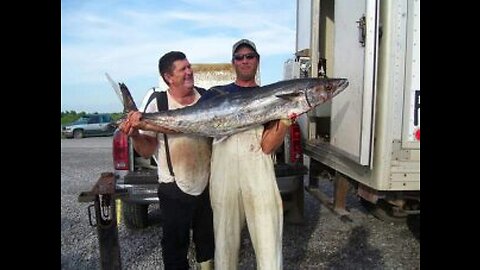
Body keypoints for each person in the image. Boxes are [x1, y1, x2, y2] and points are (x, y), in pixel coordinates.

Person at [199, 39, 291, 270]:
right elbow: (191, 121)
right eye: (239, 57)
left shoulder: (271, 96)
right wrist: (146, 122)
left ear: (257, 61)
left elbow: (268, 146)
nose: (245, 60)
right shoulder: (215, 94)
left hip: (258, 169)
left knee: (268, 236)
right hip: (224, 172)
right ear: (233, 63)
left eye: (250, 56)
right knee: (224, 239)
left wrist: (286, 120)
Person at [119, 51, 214, 270]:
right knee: (175, 245)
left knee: (208, 242)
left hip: (208, 184)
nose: (190, 72)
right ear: (168, 77)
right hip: (174, 187)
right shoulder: (158, 104)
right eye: (183, 69)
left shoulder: (206, 98)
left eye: (189, 67)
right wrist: (134, 134)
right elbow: (147, 150)